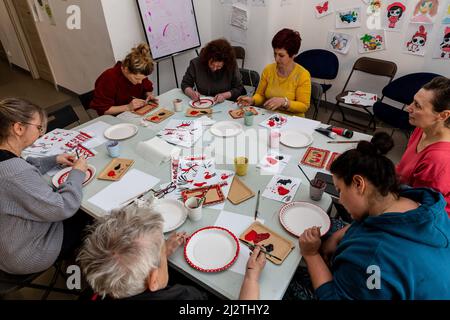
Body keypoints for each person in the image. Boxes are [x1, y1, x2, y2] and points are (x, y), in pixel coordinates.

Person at [292, 132, 450, 299]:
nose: (340, 199)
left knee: (288, 281)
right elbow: (374, 222)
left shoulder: (372, 258)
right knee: (330, 229)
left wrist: (312, 255)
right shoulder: (412, 201)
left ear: (359, 184)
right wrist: (337, 237)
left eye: (340, 190)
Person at [77, 202, 266, 300]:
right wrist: (251, 277)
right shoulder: (186, 298)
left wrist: (161, 254)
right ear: (153, 279)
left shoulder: (94, 292)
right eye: (161, 246)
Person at [0, 98, 90, 275]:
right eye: (39, 128)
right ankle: (80, 269)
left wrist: (54, 159)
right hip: (25, 254)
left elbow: (23, 169)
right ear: (19, 128)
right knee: (87, 216)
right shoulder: (14, 173)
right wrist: (77, 172)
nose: (41, 134)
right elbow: (63, 207)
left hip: (8, 241)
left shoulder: (7, 161)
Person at [396, 76, 450, 216]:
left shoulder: (439, 159)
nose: (409, 108)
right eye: (413, 101)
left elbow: (418, 210)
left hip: (421, 220)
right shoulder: (422, 128)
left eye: (417, 106)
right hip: (403, 194)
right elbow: (404, 172)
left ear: (443, 115)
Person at [237, 28, 311, 117]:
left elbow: (304, 106)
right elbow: (260, 95)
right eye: (275, 53)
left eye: (281, 55)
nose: (276, 59)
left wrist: (284, 102)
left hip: (292, 121)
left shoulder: (303, 75)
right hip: (269, 118)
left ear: (293, 55)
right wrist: (252, 100)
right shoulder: (268, 70)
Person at [90, 43, 157, 116]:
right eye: (137, 78)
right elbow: (103, 110)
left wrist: (148, 95)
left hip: (136, 114)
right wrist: (128, 107)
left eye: (142, 79)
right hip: (116, 119)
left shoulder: (139, 73)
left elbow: (147, 89)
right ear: (126, 69)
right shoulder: (108, 78)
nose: (140, 82)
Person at [181, 38, 244, 103]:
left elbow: (239, 88)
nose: (214, 68)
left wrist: (224, 95)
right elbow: (185, 84)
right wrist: (192, 93)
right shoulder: (196, 64)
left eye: (219, 66)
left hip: (226, 103)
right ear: (207, 58)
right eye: (212, 64)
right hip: (203, 103)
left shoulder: (231, 65)